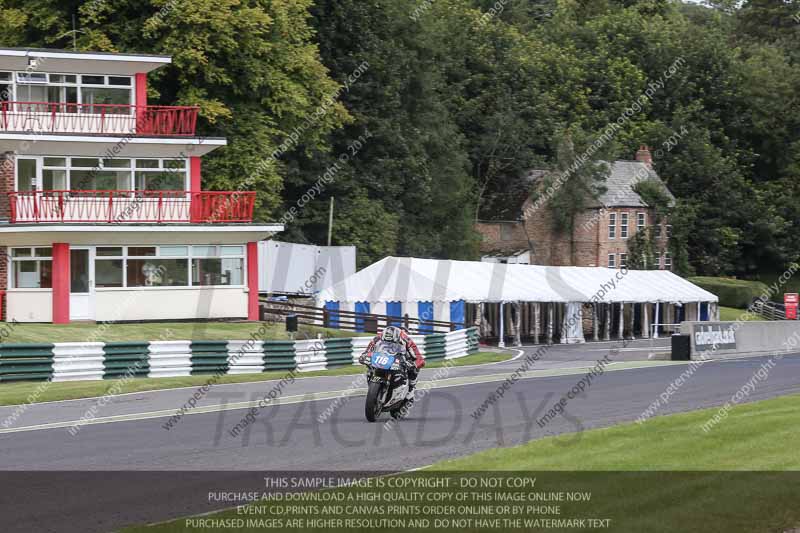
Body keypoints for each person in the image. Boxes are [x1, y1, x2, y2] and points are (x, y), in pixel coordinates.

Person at [359, 325, 425, 400]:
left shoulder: (407, 340)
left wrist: (412, 364)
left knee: (414, 369)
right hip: (383, 357)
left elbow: (420, 359)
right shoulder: (378, 338)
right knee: (369, 367)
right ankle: (373, 388)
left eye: (391, 343)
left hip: (401, 357)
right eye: (386, 343)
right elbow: (368, 351)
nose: (388, 344)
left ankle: (411, 389)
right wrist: (364, 356)